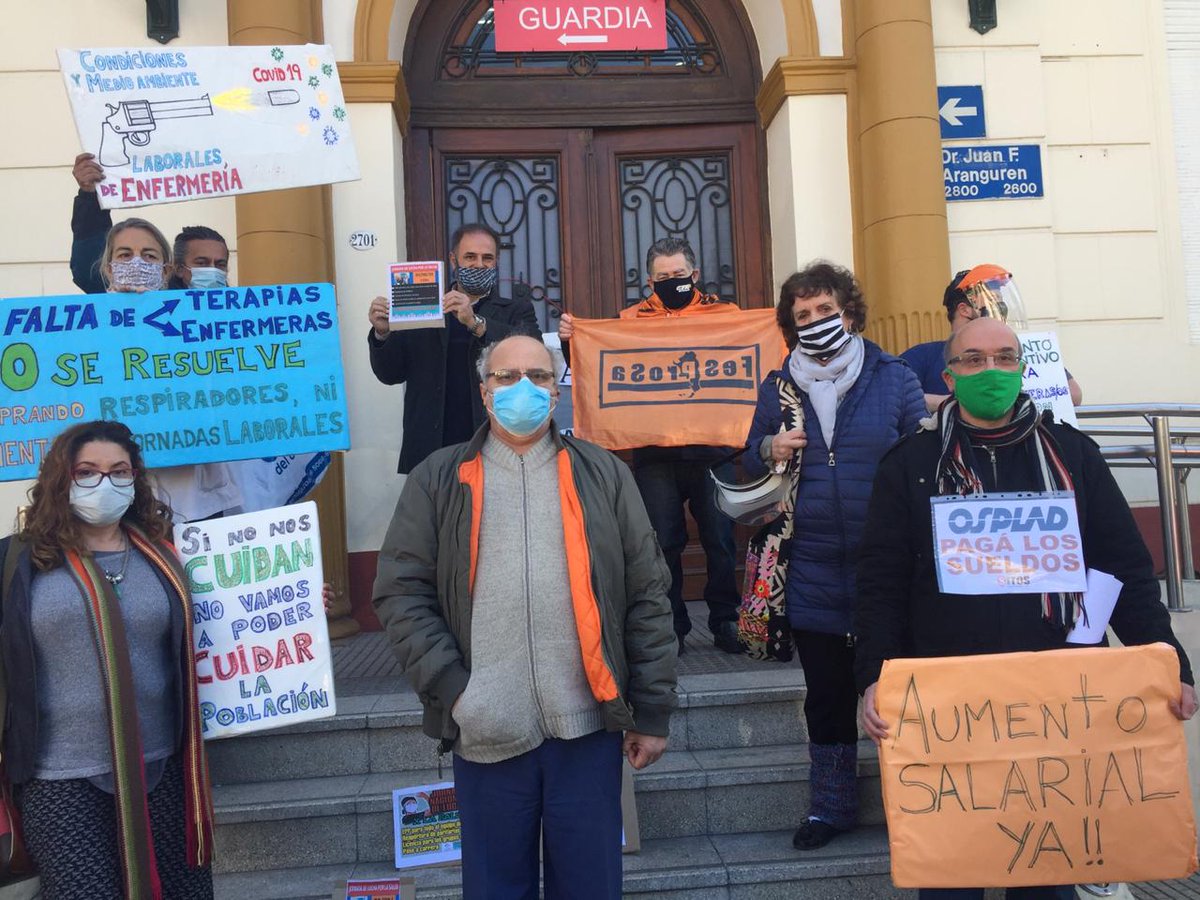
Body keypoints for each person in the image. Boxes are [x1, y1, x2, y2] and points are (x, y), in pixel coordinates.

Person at [855, 316, 1196, 900]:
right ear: (949, 375)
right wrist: (872, 677)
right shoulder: (908, 465)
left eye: (1006, 357)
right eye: (974, 360)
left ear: (1023, 369)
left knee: (1047, 879)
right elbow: (881, 584)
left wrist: (1171, 665)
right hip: (949, 708)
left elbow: (1124, 570)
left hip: (1055, 703)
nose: (992, 370)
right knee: (951, 878)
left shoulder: (1075, 455)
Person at [373, 334, 677, 899]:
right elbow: (400, 592)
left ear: (557, 388)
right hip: (485, 732)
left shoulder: (604, 473)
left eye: (538, 376)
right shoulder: (437, 479)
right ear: (484, 392)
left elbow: (647, 592)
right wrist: (457, 691)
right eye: (506, 377)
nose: (523, 389)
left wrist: (652, 709)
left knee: (590, 889)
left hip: (587, 728)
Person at [742, 261, 926, 851]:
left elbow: (921, 456)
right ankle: (830, 807)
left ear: (849, 312)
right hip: (811, 564)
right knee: (825, 695)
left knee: (898, 691)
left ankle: (918, 803)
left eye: (826, 310)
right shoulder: (777, 388)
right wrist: (769, 445)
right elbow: (751, 454)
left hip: (887, 567)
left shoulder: (893, 377)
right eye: (803, 315)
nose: (816, 322)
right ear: (790, 326)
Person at [0, 420, 214, 898]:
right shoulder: (18, 562)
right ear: (62, 479)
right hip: (59, 778)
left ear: (135, 478)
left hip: (161, 768)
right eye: (88, 472)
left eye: (119, 471)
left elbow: (229, 616)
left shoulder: (165, 555)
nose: (105, 483)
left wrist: (304, 601)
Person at [558, 237, 742, 654]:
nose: (672, 282)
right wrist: (573, 340)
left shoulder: (726, 317)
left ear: (694, 275)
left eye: (679, 275)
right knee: (663, 543)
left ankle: (726, 619)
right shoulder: (628, 321)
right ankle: (671, 627)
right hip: (654, 453)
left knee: (721, 538)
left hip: (715, 448)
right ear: (649, 282)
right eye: (663, 277)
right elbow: (594, 365)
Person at [368, 223, 540, 474]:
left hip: (495, 446)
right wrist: (382, 333)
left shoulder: (516, 311)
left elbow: (532, 352)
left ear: (497, 261)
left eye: (487, 258)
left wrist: (476, 323)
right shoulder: (422, 307)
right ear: (453, 259)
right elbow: (390, 374)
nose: (479, 265)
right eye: (470, 257)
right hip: (430, 448)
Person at [901, 265, 1083, 412]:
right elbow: (897, 396)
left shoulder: (1017, 352)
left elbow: (1073, 394)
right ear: (964, 310)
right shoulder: (923, 356)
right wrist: (961, 405)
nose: (1000, 306)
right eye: (993, 300)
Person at [70, 153, 230, 293]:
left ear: (166, 270)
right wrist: (89, 195)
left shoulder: (242, 311)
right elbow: (88, 263)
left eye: (220, 264)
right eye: (201, 263)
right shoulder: (109, 297)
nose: (137, 263)